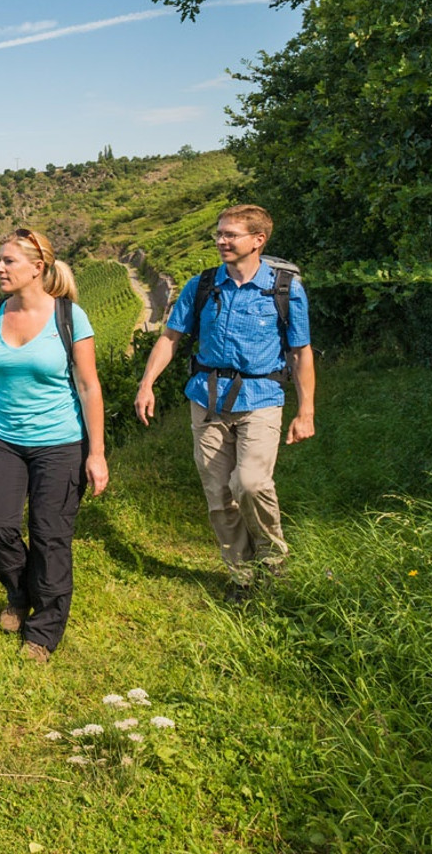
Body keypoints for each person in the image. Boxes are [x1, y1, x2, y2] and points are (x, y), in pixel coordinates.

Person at [133, 204, 314, 601]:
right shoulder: (202, 285)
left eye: (231, 234)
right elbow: (170, 338)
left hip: (261, 397)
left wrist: (305, 411)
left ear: (258, 240)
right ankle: (243, 575)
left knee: (249, 483)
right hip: (207, 399)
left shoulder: (284, 288)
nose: (221, 240)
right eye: (219, 233)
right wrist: (147, 384)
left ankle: (273, 560)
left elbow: (300, 351)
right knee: (219, 493)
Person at [0, 228, 109, 663]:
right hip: (2, 438)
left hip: (60, 444)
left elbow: (88, 385)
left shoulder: (69, 317)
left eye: (8, 261)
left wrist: (95, 453)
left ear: (37, 268)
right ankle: (20, 591)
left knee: (50, 538)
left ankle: (43, 632)